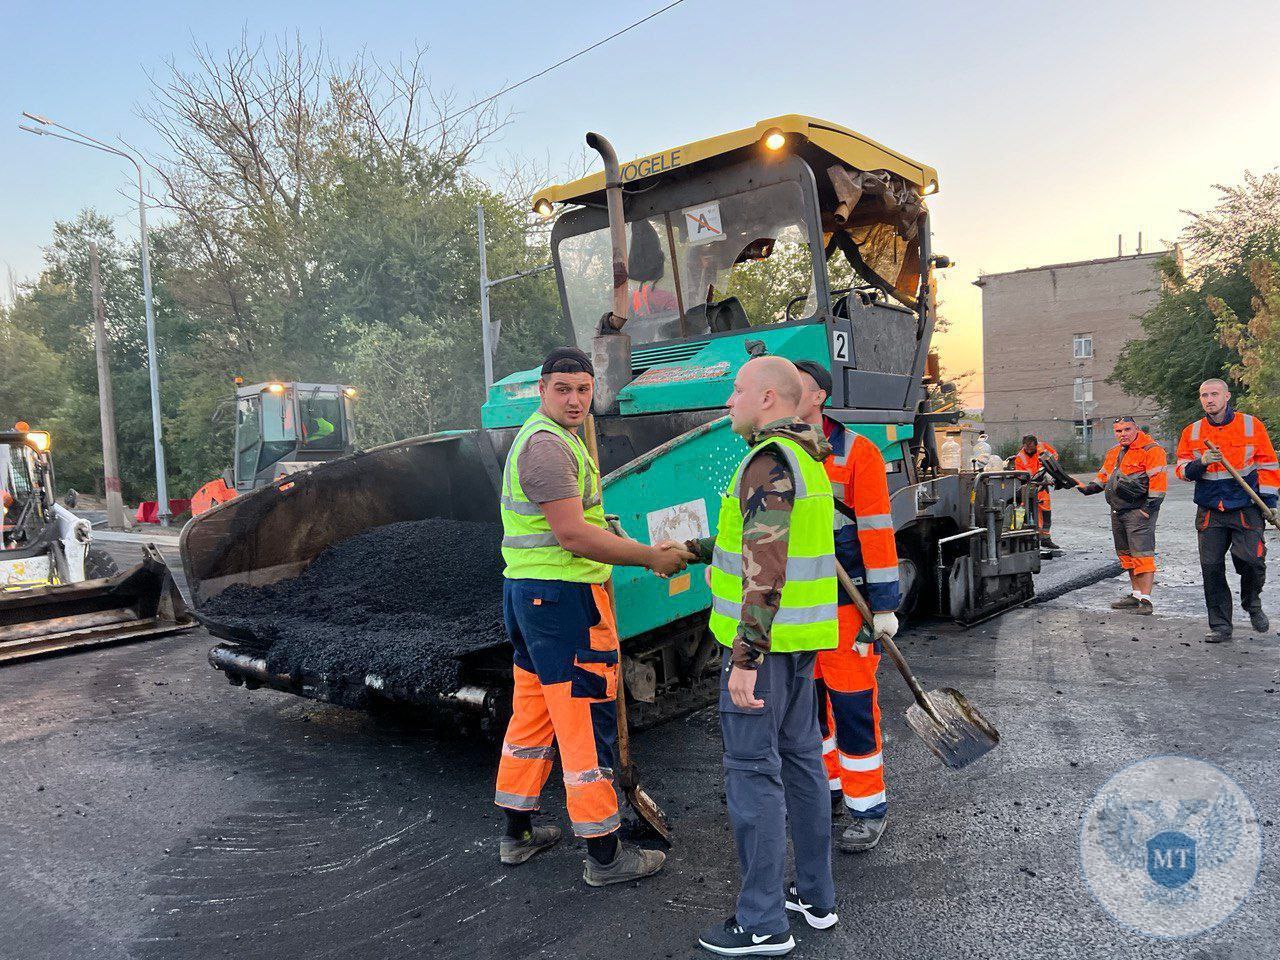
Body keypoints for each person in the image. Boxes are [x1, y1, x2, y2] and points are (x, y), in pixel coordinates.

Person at [494, 346, 689, 884]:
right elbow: (573, 535)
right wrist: (650, 556)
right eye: (563, 389)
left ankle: (518, 834)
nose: (576, 399)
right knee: (583, 720)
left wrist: (612, 530)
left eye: (583, 390)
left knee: (532, 717)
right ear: (541, 390)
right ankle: (604, 854)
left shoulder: (556, 440)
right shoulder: (549, 448)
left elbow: (581, 519)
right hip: (562, 603)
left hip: (531, 597)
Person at [685, 355, 839, 957]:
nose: (729, 401)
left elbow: (766, 562)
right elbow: (754, 541)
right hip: (799, 646)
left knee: (753, 771)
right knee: (802, 764)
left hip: (763, 649)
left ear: (770, 399)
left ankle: (761, 923)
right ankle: (815, 897)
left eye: (738, 389)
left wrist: (745, 655)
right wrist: (694, 549)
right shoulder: (807, 459)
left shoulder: (767, 462)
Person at [794, 360, 899, 853]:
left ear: (818, 396)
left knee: (853, 706)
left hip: (845, 603)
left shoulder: (858, 452)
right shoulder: (778, 451)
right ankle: (830, 787)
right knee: (810, 707)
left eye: (797, 387)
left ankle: (867, 806)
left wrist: (882, 605)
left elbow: (877, 530)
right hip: (797, 605)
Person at [1174, 378, 1279, 642]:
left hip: (1245, 505)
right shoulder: (1192, 432)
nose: (1209, 399)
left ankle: (1251, 601)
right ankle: (1221, 625)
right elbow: (1182, 471)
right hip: (1210, 509)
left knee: (1252, 560)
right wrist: (1201, 463)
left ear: (1227, 396)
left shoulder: (1250, 425)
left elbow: (1267, 466)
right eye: (1204, 395)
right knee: (1211, 568)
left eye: (1214, 394)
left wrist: (1271, 504)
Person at [1077, 417, 1167, 614]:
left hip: (1139, 511)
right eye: (1119, 431)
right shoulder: (1114, 453)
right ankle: (1136, 595)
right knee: (1126, 554)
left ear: (1136, 429)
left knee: (1142, 555)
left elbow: (1158, 484)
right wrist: (1085, 488)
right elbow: (1102, 479)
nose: (1123, 434)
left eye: (1127, 429)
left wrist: (1147, 510)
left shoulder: (1151, 450)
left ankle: (1146, 600)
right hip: (1118, 510)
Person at [1013, 434, 1060, 550]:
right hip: (1029, 488)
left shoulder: (1042, 447)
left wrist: (1049, 471)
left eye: (1031, 448)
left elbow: (1054, 457)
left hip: (1043, 488)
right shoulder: (1020, 457)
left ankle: (1045, 539)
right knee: (1031, 516)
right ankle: (1034, 540)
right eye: (1026, 448)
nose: (1029, 450)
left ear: (1036, 445)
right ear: (1023, 446)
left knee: (1046, 514)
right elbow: (1020, 475)